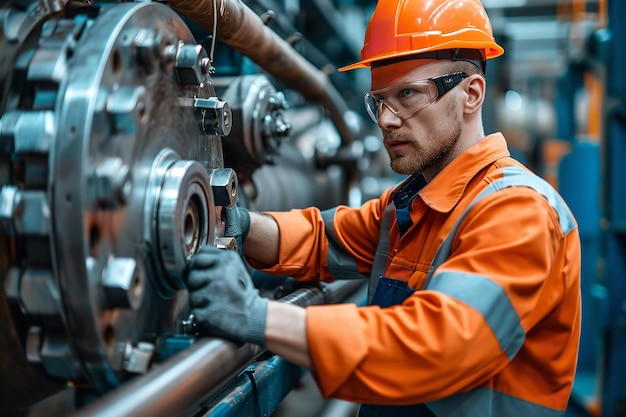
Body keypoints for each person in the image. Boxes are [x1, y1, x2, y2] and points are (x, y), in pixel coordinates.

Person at [185, 0, 582, 415]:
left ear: (472, 94)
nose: (387, 121)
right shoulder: (412, 207)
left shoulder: (519, 211)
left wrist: (256, 317)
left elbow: (434, 349)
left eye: (408, 94)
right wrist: (236, 223)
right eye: (379, 101)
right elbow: (324, 239)